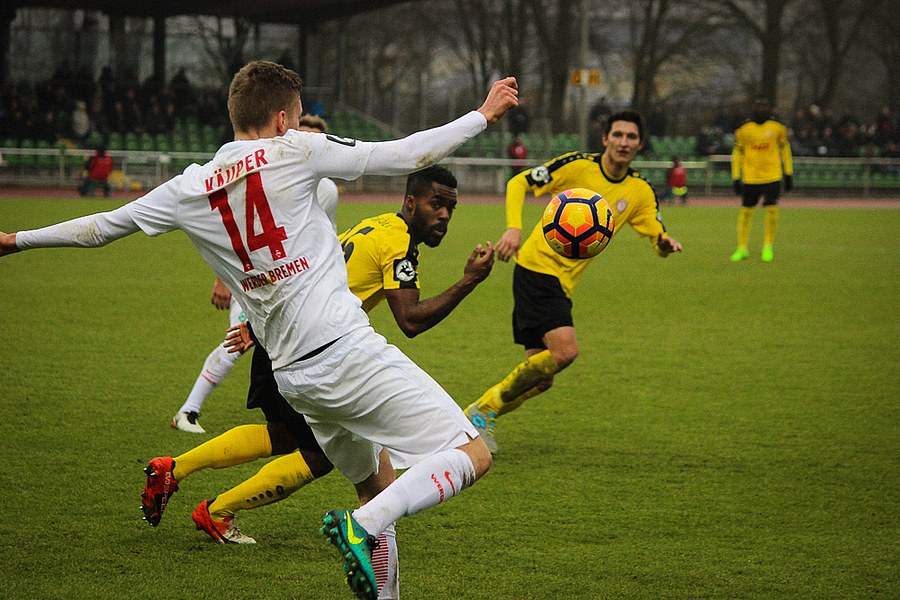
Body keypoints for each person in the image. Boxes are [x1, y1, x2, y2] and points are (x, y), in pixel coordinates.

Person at [0, 60, 517, 600]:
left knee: (376, 487)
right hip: (344, 349)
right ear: (282, 119)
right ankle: (359, 528)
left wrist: (16, 240)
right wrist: (481, 115)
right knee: (472, 453)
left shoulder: (188, 187)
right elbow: (407, 154)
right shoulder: (295, 150)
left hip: (293, 375)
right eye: (297, 115)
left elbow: (100, 228)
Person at [145, 166, 491, 599]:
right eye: (436, 204)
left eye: (450, 208)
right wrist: (469, 281)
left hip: (287, 340)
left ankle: (178, 470)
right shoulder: (398, 240)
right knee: (318, 458)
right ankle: (218, 508)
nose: (444, 215)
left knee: (320, 456)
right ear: (410, 202)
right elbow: (411, 320)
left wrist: (258, 324)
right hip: (319, 353)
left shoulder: (374, 224)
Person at [462, 109, 683, 453]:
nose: (624, 142)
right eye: (618, 135)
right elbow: (519, 182)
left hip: (562, 282)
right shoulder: (577, 166)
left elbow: (657, 235)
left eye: (631, 137)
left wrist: (664, 245)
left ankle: (478, 421)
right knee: (565, 351)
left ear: (640, 144)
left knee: (542, 378)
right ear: (605, 139)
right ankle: (482, 409)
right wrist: (514, 228)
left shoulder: (640, 190)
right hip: (537, 268)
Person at [171, 114, 340, 433]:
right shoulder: (265, 176)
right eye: (300, 134)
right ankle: (188, 411)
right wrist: (223, 279)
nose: (305, 143)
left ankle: (308, 414)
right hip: (254, 281)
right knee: (239, 340)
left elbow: (324, 239)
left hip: (293, 284)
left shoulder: (327, 190)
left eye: (313, 138)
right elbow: (233, 229)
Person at [730, 96, 794, 263]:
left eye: (764, 106)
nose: (761, 109)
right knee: (746, 211)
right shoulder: (744, 130)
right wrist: (736, 176)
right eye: (758, 106)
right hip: (751, 177)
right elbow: (737, 152)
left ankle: (767, 247)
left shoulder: (777, 128)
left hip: (772, 176)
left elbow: (785, 149)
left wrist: (788, 173)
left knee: (772, 210)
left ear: (769, 109)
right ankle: (742, 248)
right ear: (753, 108)